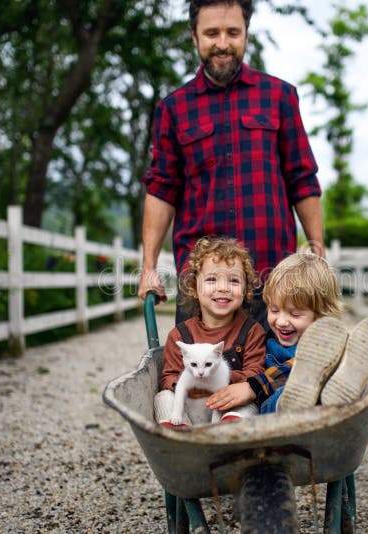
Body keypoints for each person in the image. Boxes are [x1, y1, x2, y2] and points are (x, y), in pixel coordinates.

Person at [138, 0, 325, 328]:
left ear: (246, 35)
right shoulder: (172, 109)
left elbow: (302, 178)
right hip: (201, 285)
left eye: (232, 32)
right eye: (212, 33)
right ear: (194, 37)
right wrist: (149, 267)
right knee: (198, 378)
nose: (222, 43)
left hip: (273, 279)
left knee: (273, 376)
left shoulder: (280, 97)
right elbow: (162, 190)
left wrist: (317, 250)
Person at [206, 253, 343, 414]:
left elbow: (301, 367)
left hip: (300, 403)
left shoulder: (322, 343)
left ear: (321, 315)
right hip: (271, 413)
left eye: (295, 314)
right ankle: (296, 402)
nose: (281, 321)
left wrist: (254, 386)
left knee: (292, 389)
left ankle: (341, 385)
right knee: (271, 399)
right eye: (274, 310)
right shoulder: (266, 338)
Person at [153, 236, 266, 427]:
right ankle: (178, 434)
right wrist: (191, 384)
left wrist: (222, 379)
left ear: (245, 290)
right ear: (194, 289)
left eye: (234, 281)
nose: (223, 288)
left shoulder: (252, 331)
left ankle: (229, 431)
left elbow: (255, 372)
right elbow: (168, 378)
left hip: (229, 405)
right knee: (164, 397)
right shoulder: (180, 335)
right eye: (212, 279)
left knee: (249, 401)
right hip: (189, 410)